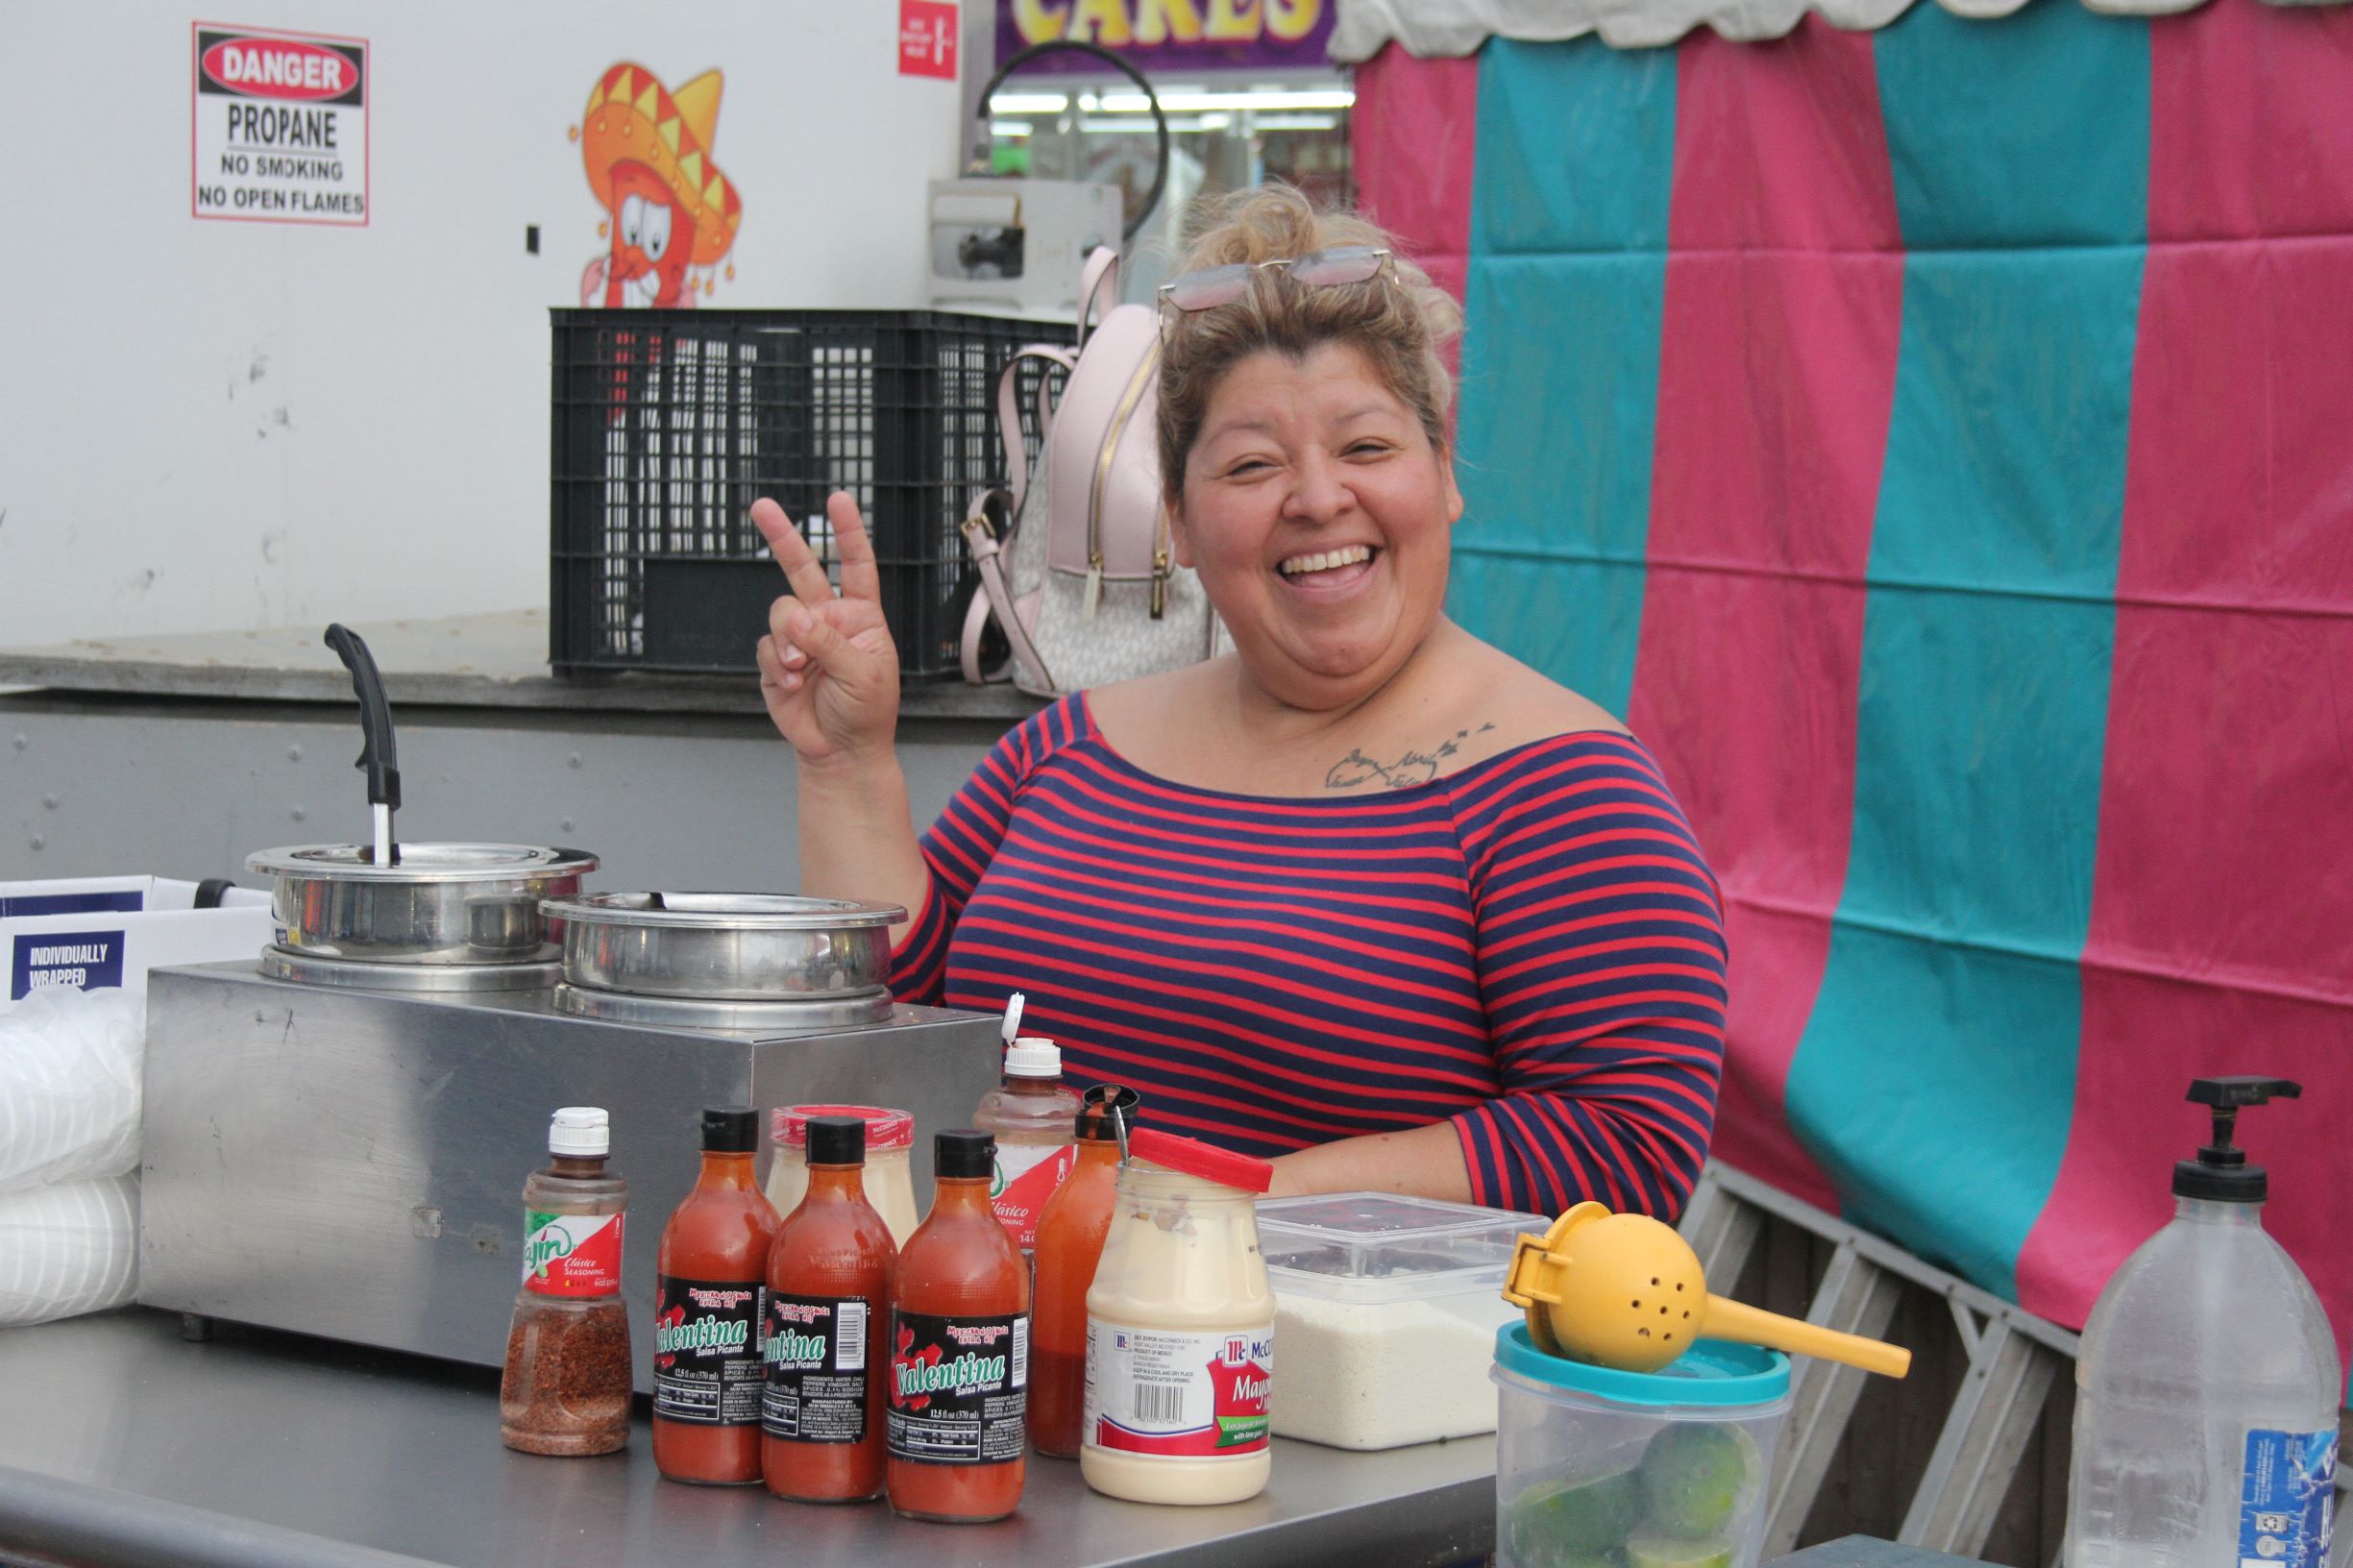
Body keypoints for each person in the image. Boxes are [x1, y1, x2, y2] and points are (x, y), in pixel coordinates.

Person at [748, 185, 1727, 1217]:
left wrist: (1214, 1210)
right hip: (1003, 1354)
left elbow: (1624, 1145)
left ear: (1443, 473)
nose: (1314, 498)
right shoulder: (1068, 747)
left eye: (1365, 448)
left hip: (1336, 1373)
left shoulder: (1569, 790)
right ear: (1179, 514)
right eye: (1251, 465)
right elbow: (901, 1011)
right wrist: (848, 767)